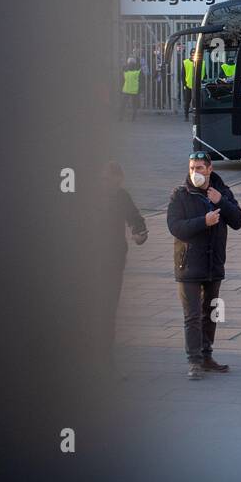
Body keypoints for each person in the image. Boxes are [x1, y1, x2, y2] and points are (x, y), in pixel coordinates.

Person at [166, 149, 241, 380]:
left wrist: (221, 202)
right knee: (192, 315)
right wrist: (204, 221)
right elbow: (175, 227)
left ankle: (207, 355)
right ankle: (194, 361)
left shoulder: (221, 191)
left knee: (210, 313)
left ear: (210, 169)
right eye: (192, 168)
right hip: (188, 264)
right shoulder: (180, 194)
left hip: (213, 263)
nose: (195, 172)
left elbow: (239, 220)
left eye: (200, 168)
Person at [101, 161, 147, 375]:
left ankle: (106, 361)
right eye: (107, 179)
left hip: (113, 262)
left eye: (115, 180)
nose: (112, 183)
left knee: (109, 312)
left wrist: (139, 232)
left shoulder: (121, 196)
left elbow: (135, 218)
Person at [121, 55, 143, 122]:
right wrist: (140, 90)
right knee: (134, 105)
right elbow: (141, 81)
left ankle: (120, 117)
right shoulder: (138, 71)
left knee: (123, 104)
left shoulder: (125, 70)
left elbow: (122, 80)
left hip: (126, 89)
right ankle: (133, 118)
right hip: (135, 90)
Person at [181, 47, 196, 121]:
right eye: (192, 53)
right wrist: (184, 84)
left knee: (197, 102)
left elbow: (204, 74)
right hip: (188, 85)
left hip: (197, 86)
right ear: (190, 54)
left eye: (194, 53)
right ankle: (186, 116)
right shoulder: (185, 62)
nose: (193, 54)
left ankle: (195, 116)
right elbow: (182, 75)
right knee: (187, 101)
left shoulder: (201, 62)